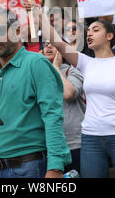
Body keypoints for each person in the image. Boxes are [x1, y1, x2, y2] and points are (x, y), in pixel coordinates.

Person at [24, 0, 115, 178]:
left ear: (109, 36)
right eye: (88, 31)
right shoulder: (85, 62)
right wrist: (38, 14)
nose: (89, 34)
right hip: (90, 139)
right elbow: (57, 42)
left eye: (95, 30)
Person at [0, 8, 71, 178]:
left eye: (0, 30)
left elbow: (53, 116)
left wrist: (55, 167)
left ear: (17, 31)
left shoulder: (36, 64)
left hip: (30, 168)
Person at [42, 41, 84, 173]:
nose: (48, 47)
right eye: (45, 45)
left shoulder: (72, 71)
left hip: (74, 143)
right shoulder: (39, 73)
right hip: (49, 145)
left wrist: (55, 66)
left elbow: (68, 94)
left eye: (53, 45)